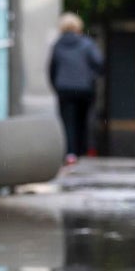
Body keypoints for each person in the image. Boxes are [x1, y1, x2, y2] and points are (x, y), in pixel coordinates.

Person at [49, 13, 104, 165]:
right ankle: (82, 150)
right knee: (83, 120)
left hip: (64, 89)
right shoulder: (87, 44)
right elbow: (99, 63)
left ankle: (70, 153)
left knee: (68, 122)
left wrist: (57, 85)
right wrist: (91, 78)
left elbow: (52, 69)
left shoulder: (57, 45)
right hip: (84, 89)